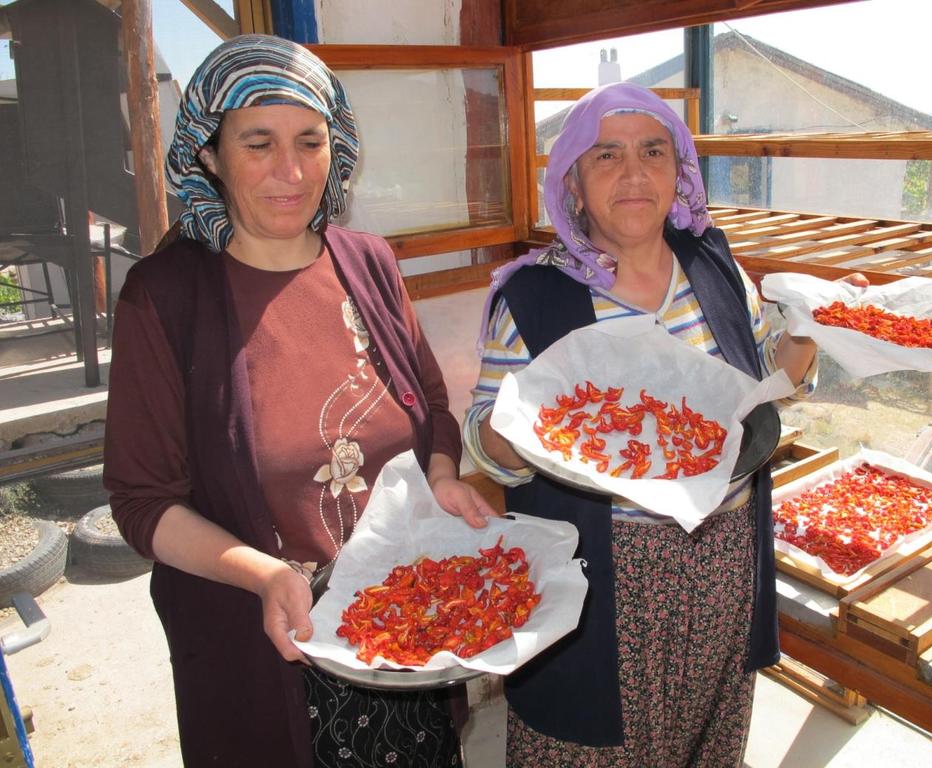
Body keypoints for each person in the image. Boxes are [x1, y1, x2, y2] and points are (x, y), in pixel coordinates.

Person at [103, 34, 497, 768]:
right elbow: (142, 502)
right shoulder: (164, 297)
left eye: (309, 141)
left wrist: (441, 477)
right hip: (268, 651)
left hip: (403, 629)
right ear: (210, 156)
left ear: (335, 147)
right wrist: (265, 574)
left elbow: (433, 410)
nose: (290, 171)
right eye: (258, 143)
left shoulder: (369, 262)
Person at [464, 81, 868, 767]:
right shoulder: (535, 296)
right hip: (601, 576)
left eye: (653, 152)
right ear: (573, 181)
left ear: (678, 171)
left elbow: (767, 376)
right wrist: (520, 431)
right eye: (606, 156)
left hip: (724, 555)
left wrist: (809, 329)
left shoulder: (711, 261)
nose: (633, 174)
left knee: (708, 740)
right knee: (591, 746)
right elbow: (488, 437)